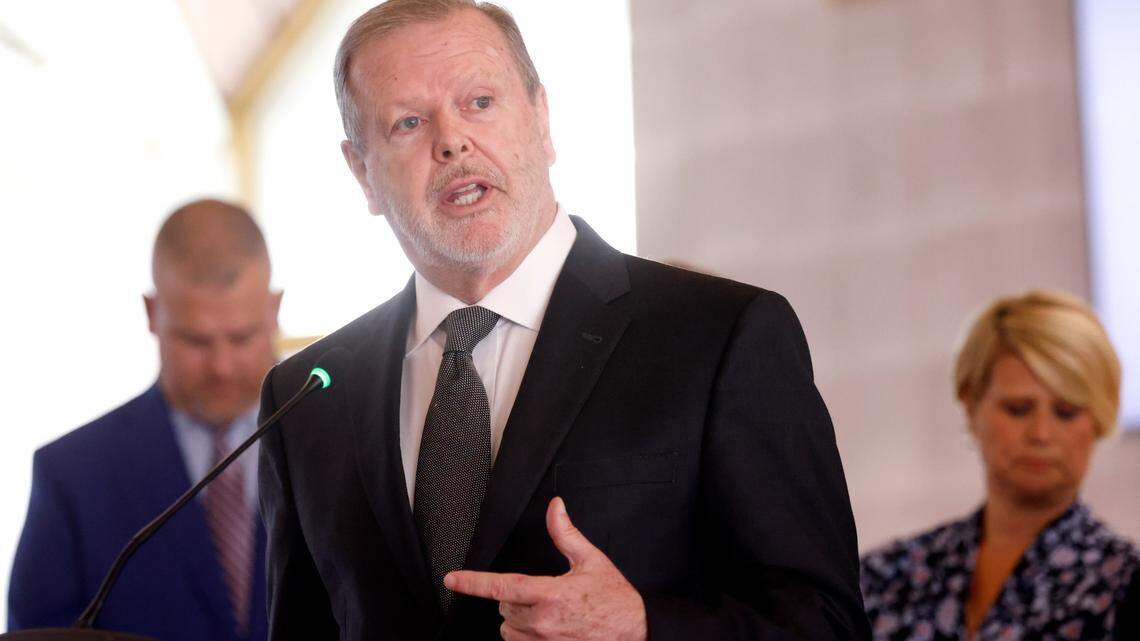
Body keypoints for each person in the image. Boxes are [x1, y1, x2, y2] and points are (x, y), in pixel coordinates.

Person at [257, 1, 870, 639]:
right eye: (408, 122)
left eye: (480, 102)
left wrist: (641, 626)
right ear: (363, 173)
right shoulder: (305, 399)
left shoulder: (720, 337)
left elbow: (825, 625)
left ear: (542, 121)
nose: (452, 140)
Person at [9, 199, 280, 641]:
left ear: (274, 309)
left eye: (242, 337)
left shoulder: (344, 442)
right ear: (153, 314)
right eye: (195, 341)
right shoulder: (72, 476)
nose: (222, 366)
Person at [860, 290, 1140, 641]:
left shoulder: (1123, 585)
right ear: (971, 404)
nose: (1041, 434)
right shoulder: (884, 579)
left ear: (1100, 419)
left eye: (1066, 412)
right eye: (1018, 409)